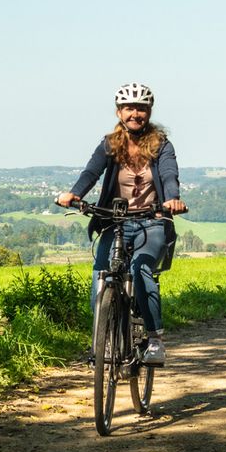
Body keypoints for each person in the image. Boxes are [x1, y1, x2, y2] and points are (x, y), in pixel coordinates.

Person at [56, 82, 187, 365]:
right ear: (119, 112)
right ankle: (102, 341)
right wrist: (75, 193)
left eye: (141, 108)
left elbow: (168, 175)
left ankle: (154, 340)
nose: (135, 113)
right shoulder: (109, 144)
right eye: (129, 108)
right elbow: (91, 171)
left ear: (149, 111)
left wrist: (172, 199)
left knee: (140, 269)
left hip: (151, 223)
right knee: (100, 276)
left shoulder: (162, 144)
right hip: (115, 223)